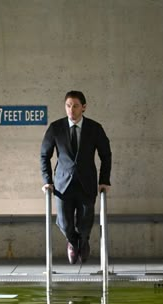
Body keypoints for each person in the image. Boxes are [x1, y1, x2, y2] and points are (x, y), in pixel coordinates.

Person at [40, 91, 112, 264]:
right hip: (62, 184)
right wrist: (47, 181)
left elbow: (106, 155)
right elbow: (44, 155)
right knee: (64, 222)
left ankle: (84, 240)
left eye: (75, 106)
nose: (71, 109)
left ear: (84, 107)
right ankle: (72, 243)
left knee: (85, 222)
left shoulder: (95, 128)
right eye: (68, 105)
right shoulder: (55, 128)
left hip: (86, 182)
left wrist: (104, 180)